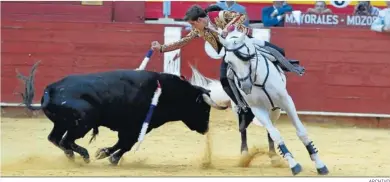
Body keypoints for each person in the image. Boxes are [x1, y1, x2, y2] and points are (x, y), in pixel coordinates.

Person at [150, 4, 304, 123]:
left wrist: (227, 28)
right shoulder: (199, 30)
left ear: (200, 20)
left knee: (278, 50)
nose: (192, 27)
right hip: (230, 53)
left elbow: (241, 16)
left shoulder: (219, 15)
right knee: (224, 80)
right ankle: (242, 105)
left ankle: (289, 68)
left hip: (245, 43)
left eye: (193, 23)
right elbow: (182, 42)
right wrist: (162, 48)